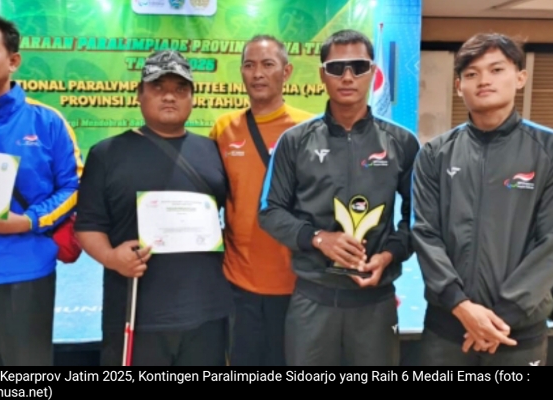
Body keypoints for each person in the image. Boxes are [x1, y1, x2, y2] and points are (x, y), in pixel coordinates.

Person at [257, 29, 419, 366]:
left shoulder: (402, 142)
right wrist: (318, 238)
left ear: (372, 72)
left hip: (375, 302)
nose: (347, 77)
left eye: (358, 67)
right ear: (322, 75)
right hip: (312, 301)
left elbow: (419, 217)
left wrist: (389, 255)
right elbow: (270, 211)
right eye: (336, 68)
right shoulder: (295, 141)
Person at [74, 50, 233, 366]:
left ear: (192, 98)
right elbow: (88, 226)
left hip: (208, 312)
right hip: (134, 310)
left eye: (180, 89)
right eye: (158, 87)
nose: (170, 96)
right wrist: (111, 257)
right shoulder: (107, 154)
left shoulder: (213, 151)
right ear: (139, 94)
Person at [0, 11, 83, 386]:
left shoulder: (48, 122)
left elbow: (73, 187)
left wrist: (28, 221)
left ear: (13, 61)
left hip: (27, 272)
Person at [412, 33, 553, 366]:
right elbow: (426, 233)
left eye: (496, 70)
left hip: (517, 330)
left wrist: (499, 319)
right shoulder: (435, 154)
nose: (484, 80)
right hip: (447, 327)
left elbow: (549, 243)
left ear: (520, 77)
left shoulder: (547, 151)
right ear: (459, 86)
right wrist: (461, 306)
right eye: (472, 73)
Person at [209, 35, 313, 366]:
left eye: (268, 64)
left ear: (287, 71)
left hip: (300, 284)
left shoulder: (310, 129)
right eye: (249, 65)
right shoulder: (224, 129)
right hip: (239, 283)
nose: (257, 74)